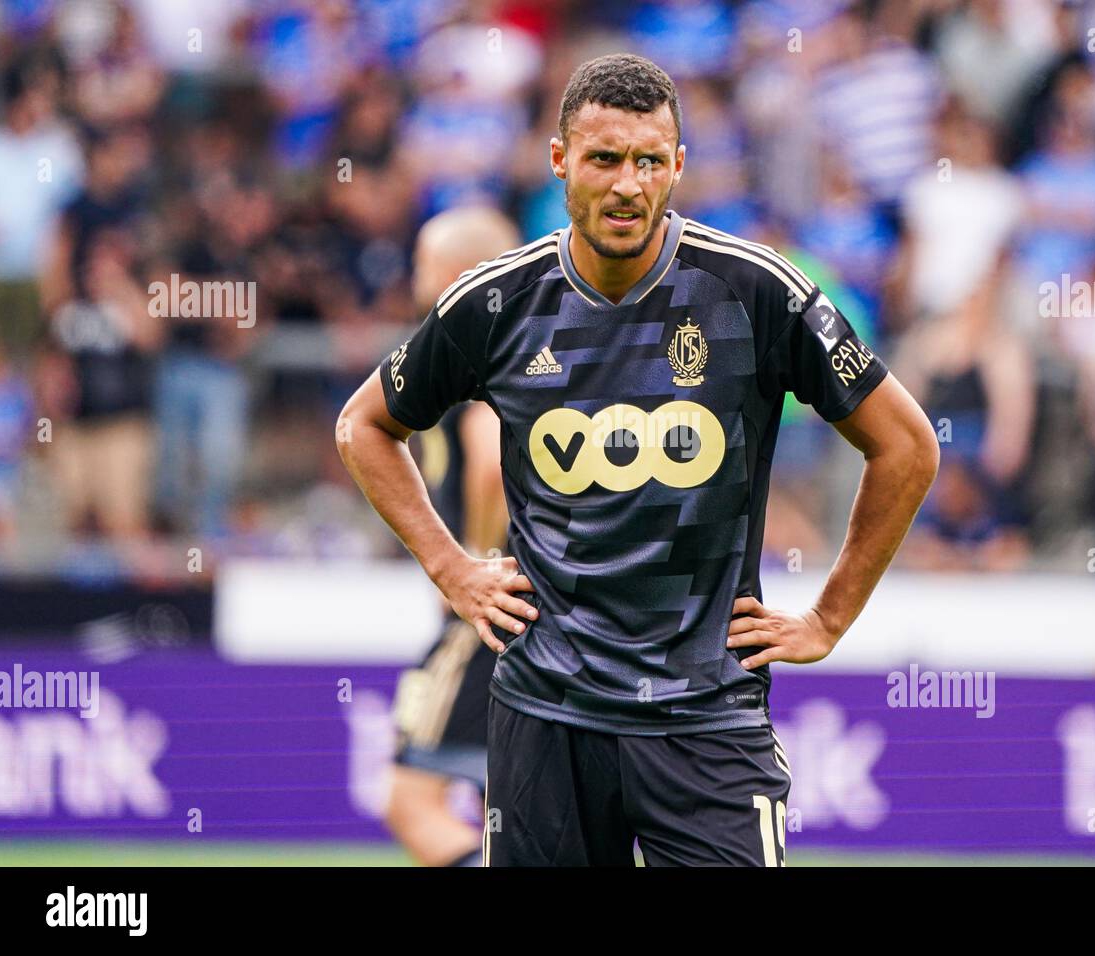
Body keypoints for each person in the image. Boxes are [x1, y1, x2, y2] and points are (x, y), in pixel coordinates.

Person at [338, 53, 938, 867]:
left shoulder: (753, 291)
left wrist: (829, 617)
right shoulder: (497, 303)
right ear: (560, 161)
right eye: (605, 158)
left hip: (707, 720)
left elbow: (906, 446)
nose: (628, 184)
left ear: (679, 167)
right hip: (546, 718)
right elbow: (364, 426)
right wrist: (451, 567)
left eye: (650, 160)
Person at [383, 207, 515, 867]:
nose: (413, 281)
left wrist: (472, 567)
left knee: (411, 801)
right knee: (515, 812)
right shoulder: (530, 343)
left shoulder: (475, 348)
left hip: (489, 613)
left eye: (421, 265)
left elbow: (490, 461)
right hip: (539, 610)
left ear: (458, 274)